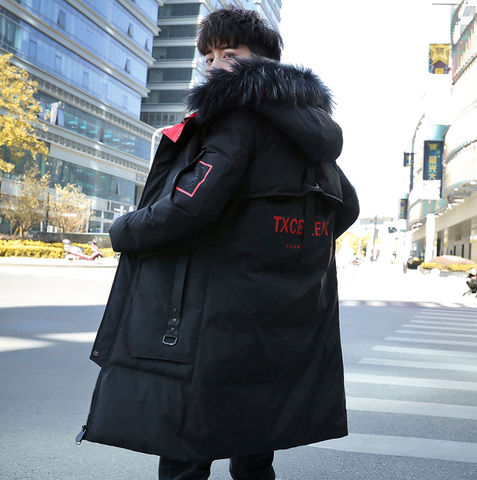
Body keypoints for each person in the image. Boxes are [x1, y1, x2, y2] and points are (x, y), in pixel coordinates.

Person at [76, 7, 359, 480]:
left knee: (188, 442)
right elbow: (344, 208)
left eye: (230, 54)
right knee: (255, 442)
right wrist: (272, 247)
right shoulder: (310, 135)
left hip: (217, 317)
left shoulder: (236, 120)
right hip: (280, 318)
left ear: (264, 62)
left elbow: (190, 206)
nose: (215, 65)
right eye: (209, 56)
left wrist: (122, 230)